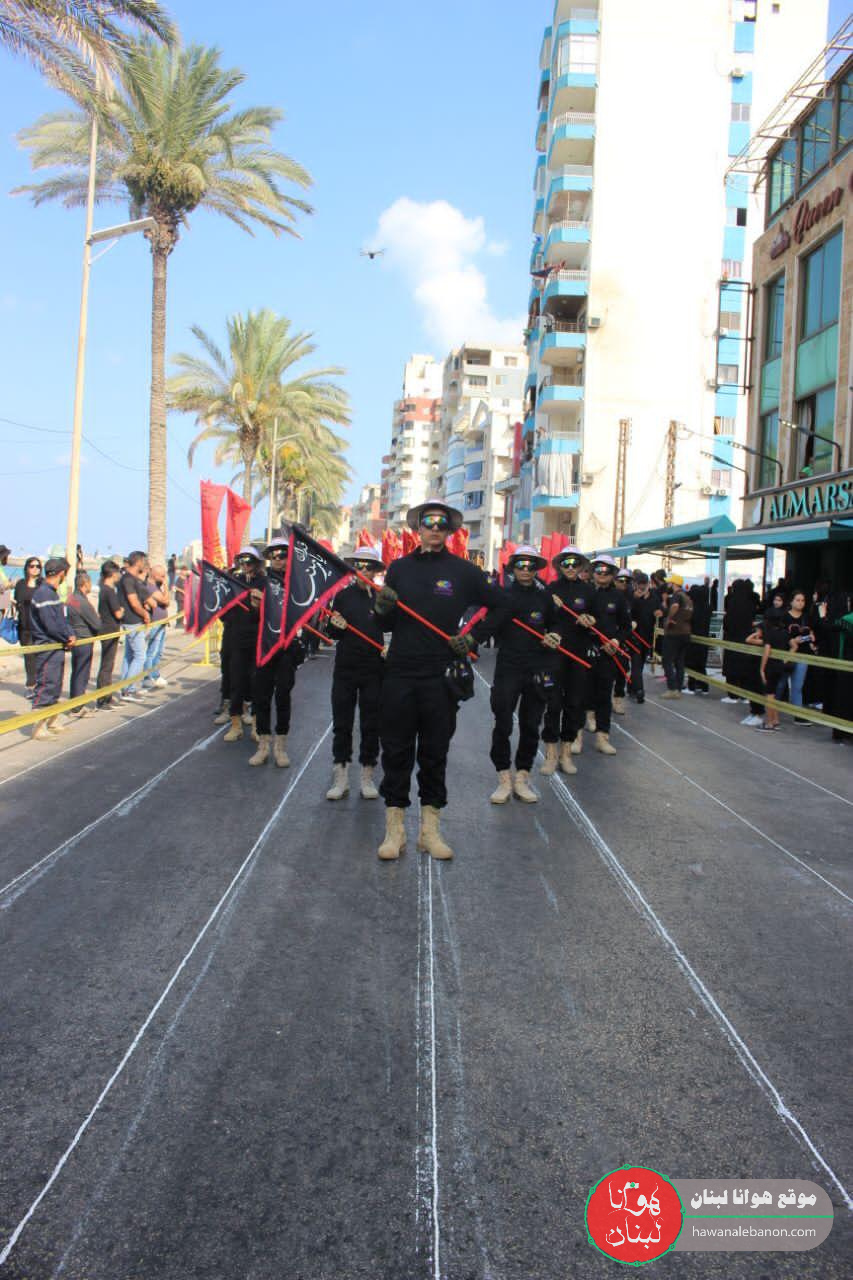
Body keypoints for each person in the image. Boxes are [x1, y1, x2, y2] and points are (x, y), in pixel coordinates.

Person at [373, 499, 504, 861]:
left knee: (434, 753)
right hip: (400, 673)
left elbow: (503, 605)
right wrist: (381, 607)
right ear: (418, 528)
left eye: (441, 523)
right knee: (396, 752)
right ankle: (395, 830)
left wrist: (473, 638)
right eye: (428, 522)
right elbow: (384, 623)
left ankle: (429, 832)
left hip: (440, 676)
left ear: (449, 531)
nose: (434, 528)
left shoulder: (464, 572)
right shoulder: (399, 569)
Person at [475, 545, 560, 804]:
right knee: (503, 722)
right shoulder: (502, 596)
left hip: (537, 666)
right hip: (508, 666)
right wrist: (467, 641)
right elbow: (486, 626)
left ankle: (522, 777)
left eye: (530, 565)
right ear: (513, 567)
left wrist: (555, 636)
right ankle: (503, 778)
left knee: (531, 724)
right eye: (520, 565)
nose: (525, 570)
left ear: (537, 569)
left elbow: (556, 625)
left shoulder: (545, 597)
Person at [325, 545, 386, 799]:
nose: (363, 570)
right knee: (342, 724)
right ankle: (341, 777)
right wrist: (335, 625)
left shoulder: (382, 597)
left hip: (374, 670)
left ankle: (367, 777)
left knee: (371, 724)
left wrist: (390, 647)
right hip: (346, 668)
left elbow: (392, 629)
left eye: (368, 567)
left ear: (375, 570)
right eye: (359, 566)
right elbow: (332, 633)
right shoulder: (342, 596)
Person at [540, 546, 594, 773]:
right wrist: (547, 635)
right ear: (560, 566)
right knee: (553, 703)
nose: (570, 567)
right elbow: (540, 620)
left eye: (575, 563)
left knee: (574, 703)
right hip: (555, 654)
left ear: (581, 566)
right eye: (566, 563)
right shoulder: (551, 590)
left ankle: (566, 753)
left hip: (579, 655)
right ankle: (550, 754)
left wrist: (590, 619)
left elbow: (599, 621)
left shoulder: (589, 590)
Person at [579, 555, 631, 753]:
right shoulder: (584, 592)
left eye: (606, 571)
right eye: (598, 570)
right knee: (580, 694)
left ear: (613, 574)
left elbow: (626, 626)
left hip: (608, 653)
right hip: (584, 651)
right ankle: (575, 736)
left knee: (604, 695)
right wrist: (581, 620)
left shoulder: (618, 597)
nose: (602, 574)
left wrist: (616, 641)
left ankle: (603, 737)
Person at [222, 547, 265, 745]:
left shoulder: (265, 583)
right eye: (242, 561)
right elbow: (223, 612)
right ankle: (235, 725)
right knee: (236, 683)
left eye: (249, 561)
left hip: (258, 640)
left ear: (257, 562)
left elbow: (273, 612)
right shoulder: (233, 582)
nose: (245, 565)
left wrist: (260, 604)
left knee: (257, 684)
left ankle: (257, 726)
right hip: (237, 640)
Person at [29, 557, 74, 739]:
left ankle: (52, 720)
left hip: (56, 646)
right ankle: (38, 727)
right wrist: (66, 637)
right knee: (46, 685)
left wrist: (69, 634)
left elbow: (61, 620)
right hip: (47, 646)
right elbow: (51, 624)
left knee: (55, 685)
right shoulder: (43, 594)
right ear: (61, 573)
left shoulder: (52, 593)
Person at [66, 571, 103, 716]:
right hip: (84, 639)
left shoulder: (72, 598)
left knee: (76, 672)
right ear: (85, 584)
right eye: (89, 583)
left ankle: (75, 702)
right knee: (82, 673)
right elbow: (96, 624)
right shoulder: (82, 602)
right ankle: (77, 706)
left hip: (77, 638)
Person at [117, 551, 151, 702]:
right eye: (144, 561)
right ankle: (128, 689)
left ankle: (125, 687)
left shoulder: (130, 579)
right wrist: (145, 614)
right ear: (138, 562)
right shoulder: (128, 580)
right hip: (132, 621)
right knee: (140, 656)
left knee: (129, 656)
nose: (145, 564)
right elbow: (134, 602)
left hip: (132, 621)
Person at [781, 589, 815, 722]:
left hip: (803, 655)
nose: (801, 603)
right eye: (798, 600)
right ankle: (772, 712)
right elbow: (780, 635)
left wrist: (811, 639)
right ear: (791, 602)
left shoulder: (807, 617)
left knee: (798, 686)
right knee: (780, 684)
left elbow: (811, 633)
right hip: (787, 654)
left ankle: (798, 715)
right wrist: (791, 641)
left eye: (803, 600)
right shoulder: (784, 617)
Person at [96, 560, 124, 708]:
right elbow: (118, 613)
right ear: (113, 574)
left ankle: (107, 696)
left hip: (108, 628)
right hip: (109, 629)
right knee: (107, 665)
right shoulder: (109, 591)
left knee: (108, 664)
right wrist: (122, 610)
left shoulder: (103, 589)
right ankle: (103, 699)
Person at [661, 573, 693, 698]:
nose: (668, 584)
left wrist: (669, 618)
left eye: (669, 583)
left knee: (667, 660)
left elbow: (675, 606)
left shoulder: (676, 595)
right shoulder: (687, 597)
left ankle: (672, 689)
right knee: (680, 661)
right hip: (686, 632)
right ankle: (678, 688)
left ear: (674, 584)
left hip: (674, 632)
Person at [14, 556, 42, 696]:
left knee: (40, 657)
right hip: (24, 627)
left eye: (38, 566)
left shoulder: (42, 584)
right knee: (29, 657)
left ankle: (40, 685)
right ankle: (30, 686)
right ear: (26, 568)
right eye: (32, 566)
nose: (35, 569)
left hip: (40, 627)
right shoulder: (21, 584)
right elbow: (17, 600)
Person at [141, 563, 170, 690]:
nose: (164, 578)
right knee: (151, 652)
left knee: (159, 652)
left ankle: (155, 674)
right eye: (162, 576)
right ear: (155, 575)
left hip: (162, 623)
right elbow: (165, 601)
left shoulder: (157, 587)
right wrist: (166, 587)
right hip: (155, 623)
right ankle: (147, 677)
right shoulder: (150, 587)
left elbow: (166, 603)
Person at [628, 572, 656, 704]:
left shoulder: (653, 597)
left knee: (639, 665)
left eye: (644, 583)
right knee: (636, 663)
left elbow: (660, 609)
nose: (642, 586)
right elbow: (626, 613)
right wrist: (635, 599)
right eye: (639, 583)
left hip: (647, 637)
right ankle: (639, 690)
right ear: (635, 584)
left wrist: (661, 612)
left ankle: (631, 687)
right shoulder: (630, 597)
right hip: (634, 637)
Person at [611, 567, 633, 714]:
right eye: (621, 580)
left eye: (627, 581)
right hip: (606, 638)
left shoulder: (631, 597)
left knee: (622, 670)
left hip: (624, 639)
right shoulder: (609, 595)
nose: (624, 583)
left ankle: (618, 698)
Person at [685, 581, 712, 693]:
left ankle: (691, 686)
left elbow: (689, 621)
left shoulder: (693, 608)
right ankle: (704, 686)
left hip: (693, 639)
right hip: (704, 638)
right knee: (701, 664)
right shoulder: (708, 607)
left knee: (691, 663)